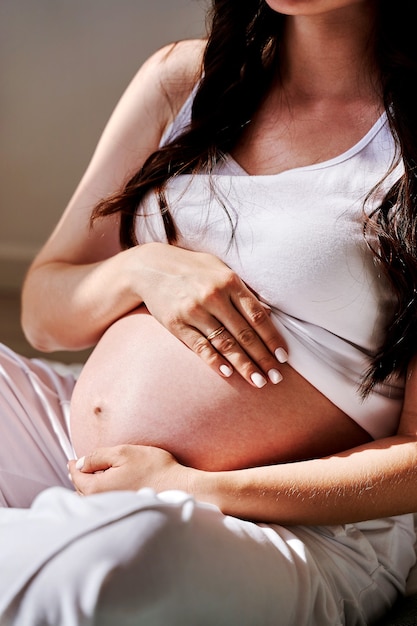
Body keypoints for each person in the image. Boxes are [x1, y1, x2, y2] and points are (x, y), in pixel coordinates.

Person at [1, 0, 417, 624]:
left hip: (298, 519)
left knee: (119, 558)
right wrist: (142, 269)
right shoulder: (183, 80)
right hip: (73, 444)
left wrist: (191, 488)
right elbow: (42, 312)